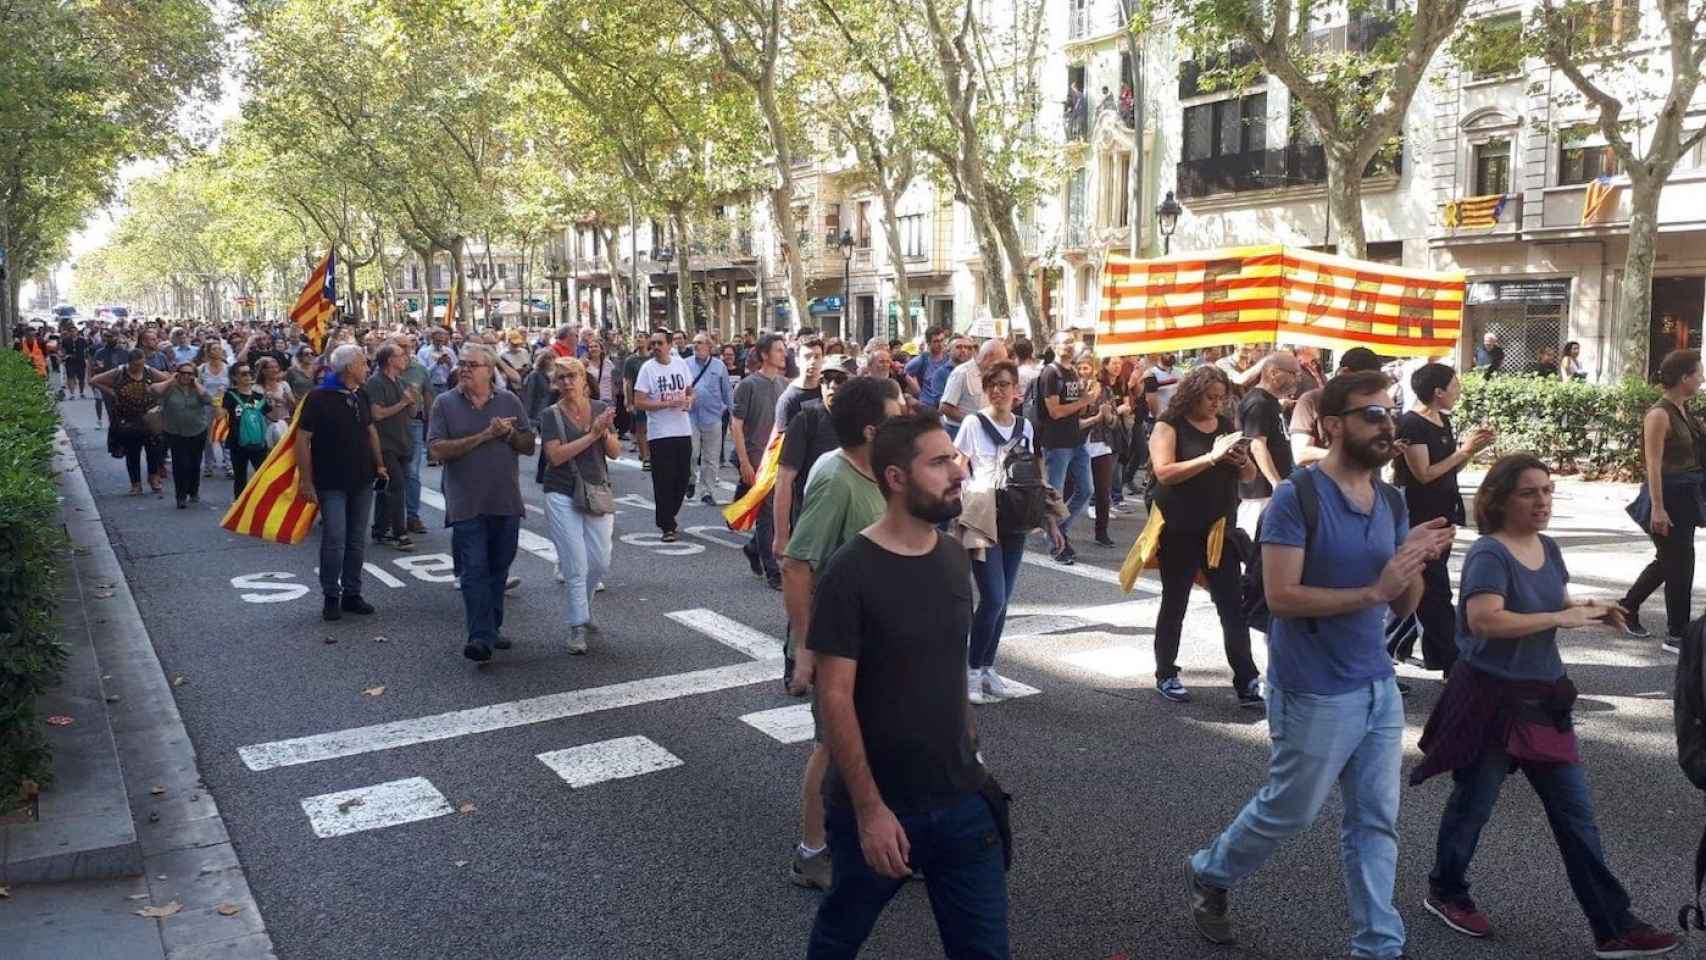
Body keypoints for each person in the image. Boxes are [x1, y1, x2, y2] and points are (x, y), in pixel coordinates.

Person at [1186, 370, 1455, 960]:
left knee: (1376, 821)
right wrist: (1375, 590)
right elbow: (1282, 598)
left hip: (1375, 685)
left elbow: (1400, 600)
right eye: (1372, 415)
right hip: (1311, 688)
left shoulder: (1390, 500)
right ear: (1332, 426)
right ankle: (1211, 871)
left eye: (1390, 413)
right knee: (1290, 811)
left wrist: (1416, 566)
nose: (1388, 426)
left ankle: (1378, 945)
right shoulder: (1297, 497)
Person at [1411, 455, 1681, 959]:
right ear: (1499, 499)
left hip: (1542, 702)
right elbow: (1485, 622)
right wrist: (1561, 616)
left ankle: (1613, 926)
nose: (1542, 502)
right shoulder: (1490, 554)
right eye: (1529, 493)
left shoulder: (1549, 547)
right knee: (1473, 807)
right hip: (1492, 701)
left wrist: (1592, 610)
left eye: (1549, 491)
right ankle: (1446, 890)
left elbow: (1549, 603)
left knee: (1576, 818)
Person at [805, 413, 1008, 959]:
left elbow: (949, 668)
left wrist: (973, 751)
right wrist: (870, 811)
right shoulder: (849, 573)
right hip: (881, 807)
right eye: (939, 462)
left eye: (955, 458)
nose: (957, 471)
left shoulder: (949, 556)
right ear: (896, 478)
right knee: (839, 934)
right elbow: (835, 697)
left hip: (963, 798)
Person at [780, 376, 904, 892]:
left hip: (881, 637)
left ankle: (887, 839)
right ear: (873, 429)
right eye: (898, 415)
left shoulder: (880, 472)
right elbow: (797, 565)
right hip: (839, 642)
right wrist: (807, 650)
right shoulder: (836, 478)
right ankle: (812, 853)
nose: (908, 418)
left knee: (891, 739)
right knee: (833, 746)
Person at [1146, 365, 1262, 706]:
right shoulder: (1169, 425)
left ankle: (1247, 678)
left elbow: (1249, 475)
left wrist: (1241, 461)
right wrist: (1211, 458)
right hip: (1179, 530)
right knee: (1175, 602)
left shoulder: (1226, 427)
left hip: (1219, 532)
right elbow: (1164, 473)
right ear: (1192, 394)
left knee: (1232, 607)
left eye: (1220, 398)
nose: (1216, 403)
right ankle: (1166, 672)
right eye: (1210, 397)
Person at [954, 361, 1064, 704]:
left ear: (1017, 389)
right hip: (983, 518)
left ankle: (987, 666)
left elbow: (1034, 476)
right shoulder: (973, 423)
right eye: (993, 385)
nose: (999, 390)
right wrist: (960, 504)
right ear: (986, 389)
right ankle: (971, 669)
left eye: (1005, 384)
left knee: (1003, 602)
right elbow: (958, 467)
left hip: (1016, 518)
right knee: (993, 598)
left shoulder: (1025, 426)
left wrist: (1050, 521)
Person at [428, 343, 536, 661]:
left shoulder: (509, 400)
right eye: (461, 364)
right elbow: (436, 450)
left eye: (472, 364)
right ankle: (480, 637)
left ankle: (491, 628)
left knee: (498, 568)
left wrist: (508, 436)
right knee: (474, 570)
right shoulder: (444, 403)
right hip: (466, 503)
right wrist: (483, 437)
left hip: (504, 499)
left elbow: (528, 444)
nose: (464, 369)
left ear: (489, 370)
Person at [1392, 363, 1494, 670]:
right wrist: (1464, 451)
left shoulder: (1442, 420)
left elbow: (1448, 468)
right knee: (1435, 588)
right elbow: (1423, 474)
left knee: (1420, 583)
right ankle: (1452, 660)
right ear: (1437, 392)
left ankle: (1394, 645)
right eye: (1455, 386)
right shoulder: (1411, 423)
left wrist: (1470, 451)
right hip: (1421, 515)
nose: (1458, 391)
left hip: (1445, 508)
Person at [1618, 348, 1706, 651]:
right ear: (1684, 378)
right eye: (1699, 373)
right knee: (1680, 564)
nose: (1702, 379)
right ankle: (1677, 634)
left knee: (1670, 560)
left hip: (1687, 494)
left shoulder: (1684, 410)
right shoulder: (1659, 414)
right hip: (1667, 496)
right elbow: (1652, 465)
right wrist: (1657, 507)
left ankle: (1627, 608)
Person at [296, 345, 388, 622]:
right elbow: (302, 439)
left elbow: (370, 430)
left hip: (362, 478)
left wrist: (380, 464)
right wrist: (305, 480)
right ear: (349, 368)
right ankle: (330, 595)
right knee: (335, 538)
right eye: (362, 363)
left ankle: (352, 593)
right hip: (331, 481)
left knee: (357, 540)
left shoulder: (360, 393)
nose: (367, 368)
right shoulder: (318, 397)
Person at [540, 357, 620, 655]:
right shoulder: (551, 415)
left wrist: (605, 433)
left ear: (584, 379)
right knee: (575, 563)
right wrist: (592, 434)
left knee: (600, 561)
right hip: (561, 491)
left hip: (596, 489)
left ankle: (583, 610)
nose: (567, 382)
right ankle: (576, 626)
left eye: (572, 376)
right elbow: (556, 457)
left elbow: (613, 452)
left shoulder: (599, 408)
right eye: (560, 378)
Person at [774, 356, 851, 586]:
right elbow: (784, 479)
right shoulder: (807, 420)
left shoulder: (863, 424)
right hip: (810, 525)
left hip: (851, 528)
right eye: (827, 379)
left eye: (840, 379)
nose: (833, 385)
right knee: (808, 595)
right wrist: (781, 536)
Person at [1036, 333, 1099, 564]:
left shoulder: (1072, 371)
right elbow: (1055, 411)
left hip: (1076, 440)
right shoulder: (1050, 373)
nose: (1070, 347)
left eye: (1072, 343)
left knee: (1086, 489)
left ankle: (1058, 529)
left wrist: (1089, 395)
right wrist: (1084, 401)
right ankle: (1056, 546)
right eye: (1065, 343)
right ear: (1054, 346)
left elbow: (1076, 409)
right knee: (1056, 495)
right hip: (1057, 443)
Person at [632, 329, 696, 541]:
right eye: (653, 343)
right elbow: (639, 402)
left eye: (660, 343)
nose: (656, 347)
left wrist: (689, 401)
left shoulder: (680, 364)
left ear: (670, 345)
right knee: (663, 480)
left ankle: (670, 513)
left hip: (682, 429)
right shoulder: (647, 369)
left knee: (683, 477)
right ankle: (666, 525)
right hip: (660, 433)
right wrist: (666, 403)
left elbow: (690, 390)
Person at [1235, 349, 1300, 536]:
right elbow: (1257, 444)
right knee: (1253, 542)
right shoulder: (1259, 403)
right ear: (1273, 373)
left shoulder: (1268, 402)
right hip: (1260, 490)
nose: (1297, 379)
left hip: (1269, 490)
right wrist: (1276, 483)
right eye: (1293, 373)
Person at [364, 344, 421, 551]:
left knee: (387, 487)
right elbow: (377, 414)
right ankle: (400, 533)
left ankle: (380, 529)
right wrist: (402, 402)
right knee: (397, 486)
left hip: (402, 441)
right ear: (389, 360)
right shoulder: (375, 383)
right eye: (401, 355)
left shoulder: (402, 381)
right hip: (384, 443)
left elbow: (413, 413)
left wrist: (412, 400)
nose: (405, 358)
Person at [1289, 346, 1385, 469]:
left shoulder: (1373, 403)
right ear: (1344, 372)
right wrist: (1347, 456)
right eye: (1364, 383)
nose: (1367, 391)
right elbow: (1301, 454)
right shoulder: (1312, 400)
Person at [91, 350, 167, 496]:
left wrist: (157, 392)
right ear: (130, 362)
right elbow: (94, 380)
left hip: (149, 417)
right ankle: (136, 484)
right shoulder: (119, 373)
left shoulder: (150, 372)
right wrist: (112, 392)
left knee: (154, 450)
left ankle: (154, 478)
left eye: (141, 364)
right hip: (128, 419)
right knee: (132, 452)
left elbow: (167, 381)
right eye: (135, 365)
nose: (138, 368)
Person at [152, 362, 215, 509]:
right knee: (180, 464)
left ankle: (193, 491)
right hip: (175, 431)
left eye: (189, 373)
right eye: (183, 373)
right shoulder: (170, 388)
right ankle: (180, 496)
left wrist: (196, 383)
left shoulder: (197, 389)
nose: (186, 376)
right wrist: (171, 379)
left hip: (197, 430)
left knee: (194, 463)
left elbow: (208, 400)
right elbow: (155, 390)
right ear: (177, 373)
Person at [687, 332, 733, 504]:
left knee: (711, 457)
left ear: (709, 346)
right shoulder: (685, 364)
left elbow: (727, 391)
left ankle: (707, 491)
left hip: (713, 416)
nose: (696, 346)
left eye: (699, 343)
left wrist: (732, 412)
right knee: (692, 453)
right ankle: (690, 480)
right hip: (690, 416)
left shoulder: (719, 366)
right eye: (694, 343)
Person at [940, 338, 1005, 438]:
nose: (1001, 366)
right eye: (1000, 362)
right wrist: (973, 421)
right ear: (988, 357)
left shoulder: (992, 375)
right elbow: (945, 407)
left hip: (983, 432)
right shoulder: (962, 373)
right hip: (959, 431)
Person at [223, 364, 270, 498]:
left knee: (262, 474)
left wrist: (276, 400)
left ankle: (262, 501)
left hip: (258, 443)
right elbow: (220, 415)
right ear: (234, 377)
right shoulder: (230, 395)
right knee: (240, 476)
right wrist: (217, 399)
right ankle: (239, 505)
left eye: (250, 373)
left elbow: (272, 416)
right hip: (237, 442)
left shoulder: (259, 397)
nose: (248, 376)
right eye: (244, 374)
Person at [197, 341, 233, 480]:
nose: (217, 351)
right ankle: (209, 465)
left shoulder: (227, 368)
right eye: (214, 349)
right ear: (208, 352)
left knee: (225, 435)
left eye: (219, 348)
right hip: (207, 406)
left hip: (223, 406)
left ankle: (229, 465)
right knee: (208, 437)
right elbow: (198, 386)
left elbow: (232, 386)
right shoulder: (202, 369)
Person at [934, 335, 983, 436]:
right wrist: (972, 421)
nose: (964, 350)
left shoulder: (978, 371)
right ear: (948, 351)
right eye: (959, 347)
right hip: (953, 428)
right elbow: (941, 404)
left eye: (968, 348)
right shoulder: (941, 373)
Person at [903, 325, 955, 409]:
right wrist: (917, 391)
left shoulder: (950, 359)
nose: (940, 344)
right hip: (927, 406)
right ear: (928, 343)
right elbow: (905, 372)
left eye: (942, 340)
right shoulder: (922, 360)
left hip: (945, 406)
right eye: (936, 341)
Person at [622, 333, 653, 469]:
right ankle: (645, 457)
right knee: (641, 428)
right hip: (638, 397)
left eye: (642, 337)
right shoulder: (630, 361)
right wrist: (629, 402)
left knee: (653, 428)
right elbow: (628, 382)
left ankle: (653, 455)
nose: (638, 339)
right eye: (637, 337)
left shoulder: (653, 358)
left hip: (653, 398)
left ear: (648, 341)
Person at [63, 328, 89, 399]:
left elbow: (86, 350)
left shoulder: (82, 340)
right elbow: (63, 350)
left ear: (77, 332)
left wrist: (86, 358)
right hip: (70, 360)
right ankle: (72, 394)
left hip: (80, 360)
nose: (72, 333)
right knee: (70, 377)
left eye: (74, 331)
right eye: (71, 331)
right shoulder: (65, 340)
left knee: (81, 378)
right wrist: (63, 356)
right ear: (69, 332)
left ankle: (82, 392)